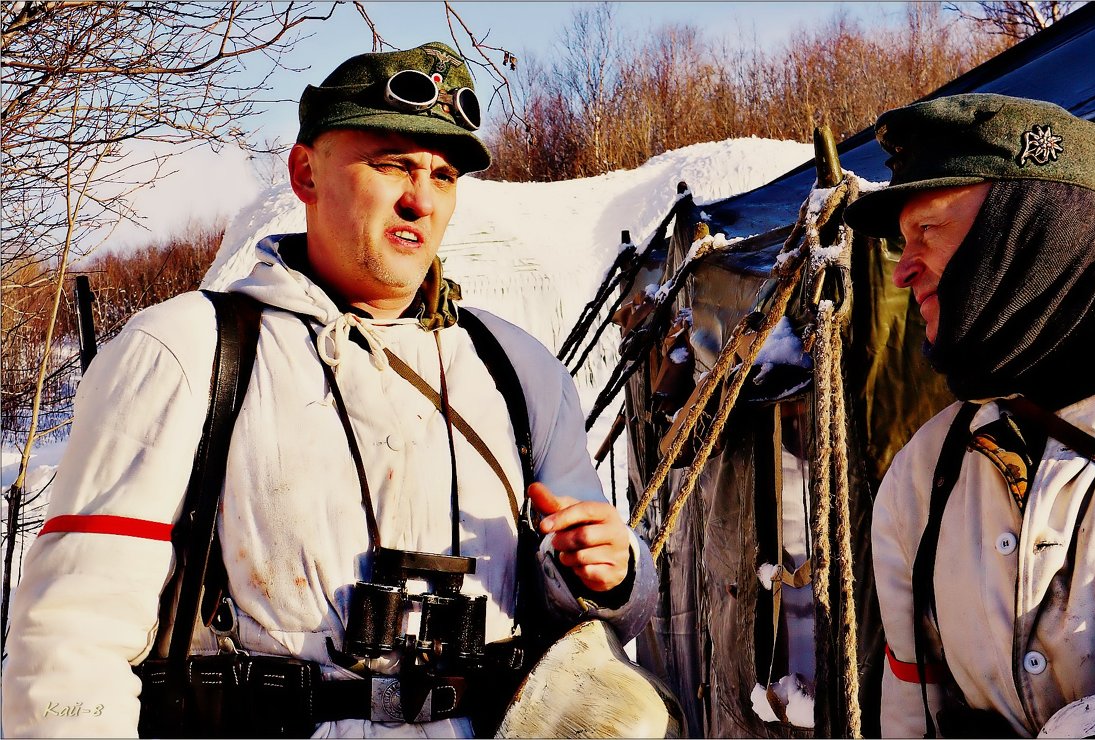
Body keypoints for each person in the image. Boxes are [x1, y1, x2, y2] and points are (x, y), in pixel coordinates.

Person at [2, 42, 657, 737]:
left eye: (443, 174)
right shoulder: (187, 351)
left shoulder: (517, 368)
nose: (421, 198)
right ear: (305, 171)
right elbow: (71, 638)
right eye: (392, 164)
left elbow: (598, 612)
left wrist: (604, 575)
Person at [842, 93, 1095, 737]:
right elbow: (911, 712)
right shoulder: (920, 477)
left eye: (929, 230)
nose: (903, 270)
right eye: (901, 242)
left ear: (1026, 228)